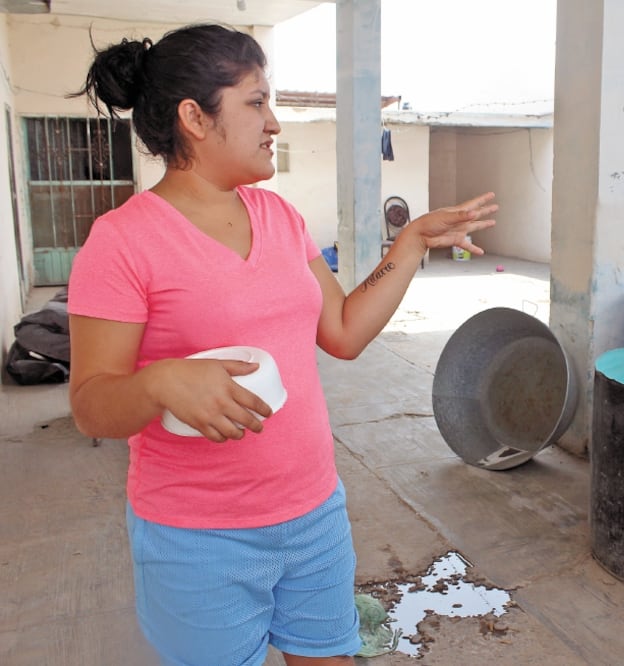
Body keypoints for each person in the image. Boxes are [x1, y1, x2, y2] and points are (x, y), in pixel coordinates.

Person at [67, 23, 497, 666]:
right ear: (195, 117)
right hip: (196, 539)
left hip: (313, 516)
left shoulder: (281, 217)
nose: (274, 122)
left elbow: (345, 333)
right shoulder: (123, 242)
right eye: (255, 101)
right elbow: (91, 406)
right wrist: (159, 383)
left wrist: (409, 245)